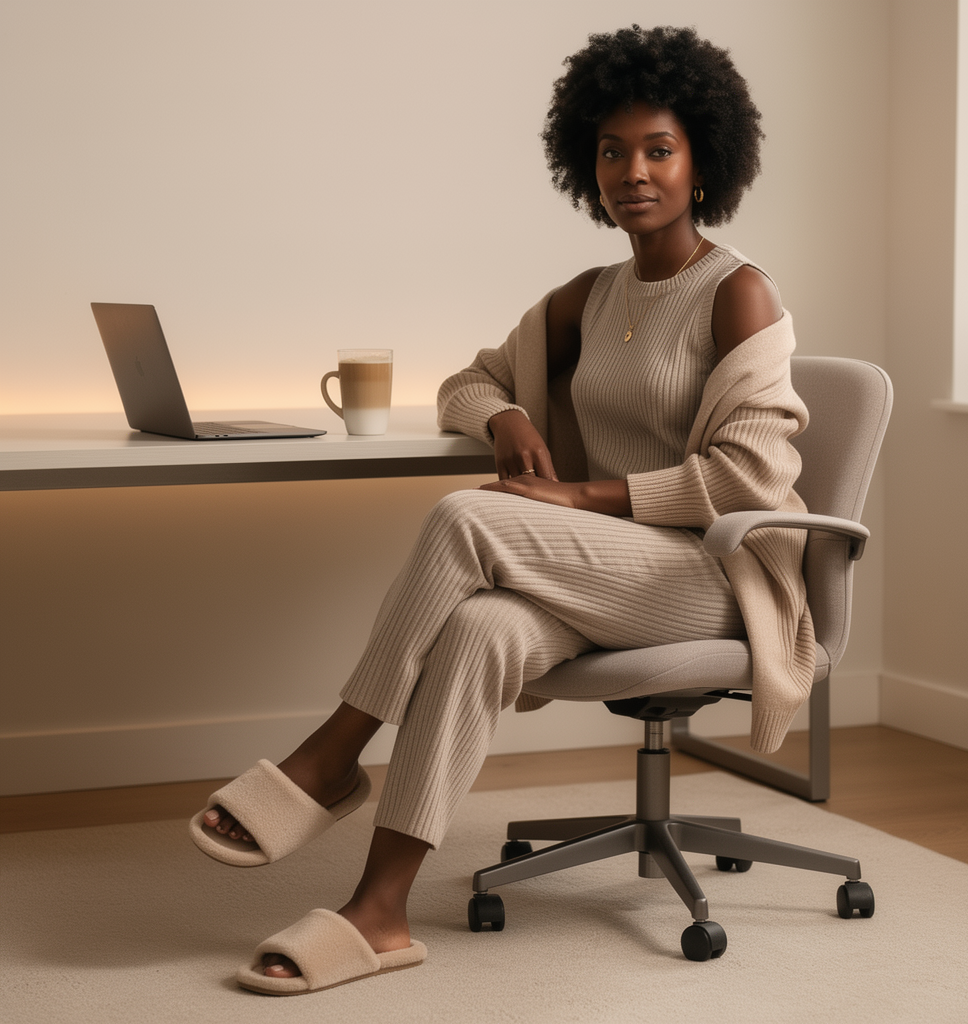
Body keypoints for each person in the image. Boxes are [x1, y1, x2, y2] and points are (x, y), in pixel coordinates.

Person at [190, 24, 815, 996]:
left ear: (703, 161)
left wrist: (578, 493)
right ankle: (381, 910)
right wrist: (511, 412)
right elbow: (465, 383)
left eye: (657, 149)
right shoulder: (587, 297)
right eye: (611, 151)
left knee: (464, 518)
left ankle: (326, 758)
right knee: (479, 624)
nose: (632, 172)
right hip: (602, 568)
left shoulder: (737, 294)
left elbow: (747, 479)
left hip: (706, 576)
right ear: (584, 163)